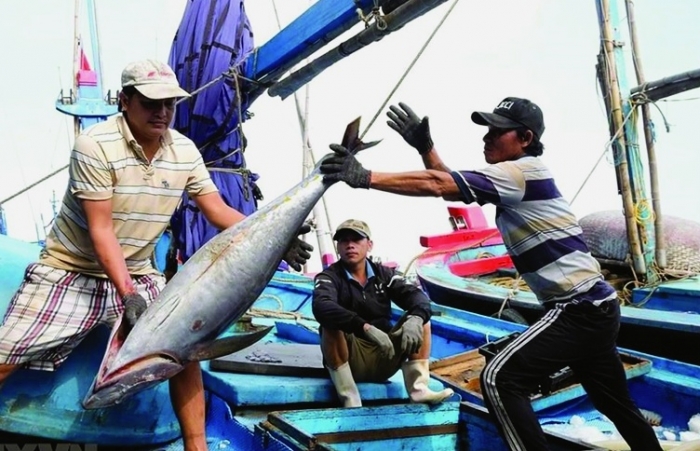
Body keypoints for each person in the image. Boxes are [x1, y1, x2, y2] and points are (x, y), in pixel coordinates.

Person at [0, 59, 312, 451]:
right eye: (151, 102)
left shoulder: (184, 151)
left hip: (139, 270)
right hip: (72, 269)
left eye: (170, 103)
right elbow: (102, 230)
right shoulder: (94, 145)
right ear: (125, 100)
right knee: (10, 349)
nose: (162, 112)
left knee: (185, 350)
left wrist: (273, 236)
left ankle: (195, 446)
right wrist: (128, 293)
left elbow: (216, 211)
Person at [318, 99, 663, 450]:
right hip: (599, 308)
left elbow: (439, 185)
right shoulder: (517, 178)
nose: (487, 137)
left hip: (577, 308)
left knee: (499, 379)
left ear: (525, 137)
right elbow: (454, 185)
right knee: (614, 403)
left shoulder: (520, 172)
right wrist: (426, 148)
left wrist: (365, 178)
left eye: (497, 131)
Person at [312, 218, 453, 408]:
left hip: (385, 355)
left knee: (421, 319)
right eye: (344, 240)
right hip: (350, 359)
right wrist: (365, 327)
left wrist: (416, 318)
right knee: (329, 324)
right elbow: (322, 306)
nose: (350, 245)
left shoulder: (384, 275)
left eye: (356, 239)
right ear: (337, 246)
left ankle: (419, 390)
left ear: (369, 245)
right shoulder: (329, 276)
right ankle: (350, 398)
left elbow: (417, 296)